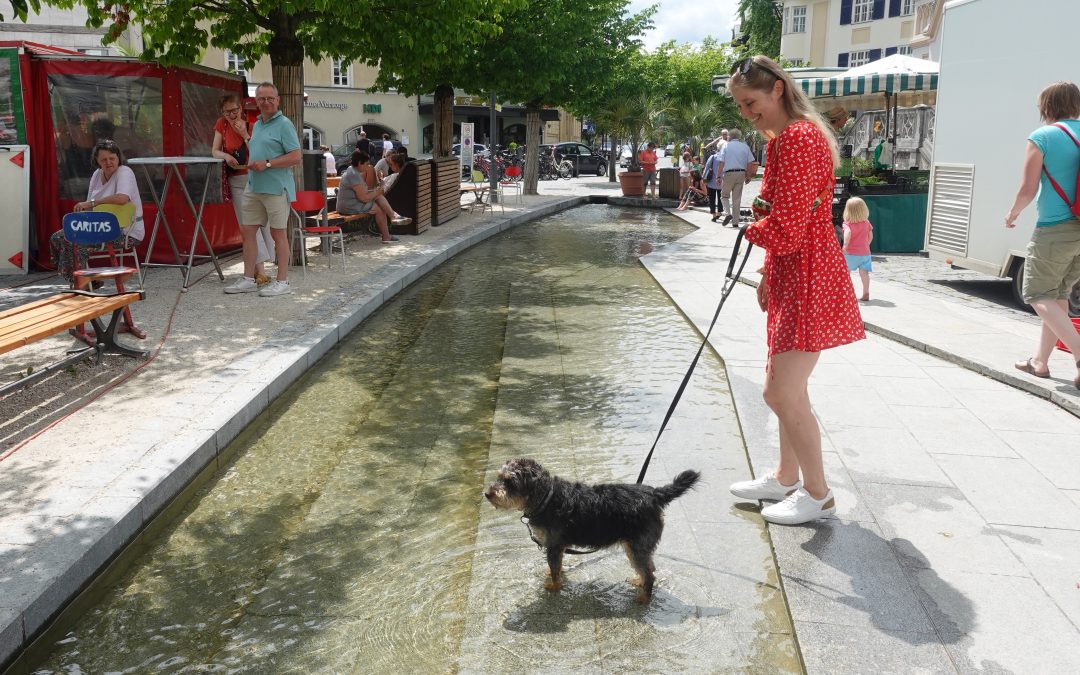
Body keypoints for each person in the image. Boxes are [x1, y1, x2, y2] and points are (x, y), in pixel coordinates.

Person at [724, 55, 865, 525]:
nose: (746, 113)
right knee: (790, 388)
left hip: (806, 274)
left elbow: (784, 229)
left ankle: (818, 494)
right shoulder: (791, 138)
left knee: (781, 392)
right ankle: (786, 476)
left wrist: (748, 229)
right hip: (797, 272)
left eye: (751, 102)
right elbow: (792, 223)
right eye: (741, 106)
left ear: (777, 91)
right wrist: (767, 271)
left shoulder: (797, 140)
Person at [1005, 80, 1080, 388]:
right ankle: (1040, 362)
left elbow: (1028, 188)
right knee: (1058, 295)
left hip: (1055, 227)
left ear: (1047, 107)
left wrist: (1013, 213)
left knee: (1036, 294)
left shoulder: (1043, 136)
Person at [225, 82, 301, 298]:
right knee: (248, 231)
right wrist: (247, 144)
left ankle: (283, 281)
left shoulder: (284, 124)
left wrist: (267, 163)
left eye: (270, 98)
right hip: (254, 186)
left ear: (277, 100)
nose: (266, 102)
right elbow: (256, 150)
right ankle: (249, 278)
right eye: (261, 99)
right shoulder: (257, 124)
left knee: (278, 234)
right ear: (256, 101)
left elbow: (296, 156)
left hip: (276, 188)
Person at [50, 139, 144, 284]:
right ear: (97, 161)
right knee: (57, 238)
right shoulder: (96, 175)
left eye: (112, 158)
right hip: (98, 228)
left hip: (126, 231)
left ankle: (81, 283)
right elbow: (89, 207)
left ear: (118, 158)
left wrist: (94, 202)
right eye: (104, 160)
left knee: (77, 242)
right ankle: (82, 281)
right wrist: (81, 214)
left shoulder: (125, 172)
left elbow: (122, 198)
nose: (109, 162)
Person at [212, 93, 272, 287]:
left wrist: (245, 136)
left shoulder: (253, 126)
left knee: (258, 224)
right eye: (227, 111)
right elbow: (214, 150)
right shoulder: (221, 124)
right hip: (236, 180)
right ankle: (259, 270)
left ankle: (260, 270)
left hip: (255, 179)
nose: (231, 115)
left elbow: (259, 153)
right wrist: (225, 156)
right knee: (247, 225)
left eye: (235, 110)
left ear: (241, 109)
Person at [336, 149, 406, 244]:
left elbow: (363, 193)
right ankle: (387, 234)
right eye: (366, 164)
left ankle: (393, 216)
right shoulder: (353, 175)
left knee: (378, 197)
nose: (368, 166)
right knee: (379, 208)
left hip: (352, 203)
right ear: (360, 163)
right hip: (349, 206)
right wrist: (378, 191)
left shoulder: (352, 171)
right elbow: (363, 198)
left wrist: (377, 191)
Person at [717, 128, 758, 227]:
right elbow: (750, 162)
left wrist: (718, 176)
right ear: (739, 137)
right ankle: (735, 222)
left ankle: (728, 214)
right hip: (741, 174)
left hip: (729, 173)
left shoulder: (726, 146)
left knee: (724, 195)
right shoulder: (745, 146)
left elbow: (721, 162)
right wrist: (748, 175)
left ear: (729, 136)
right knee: (737, 199)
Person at [842, 196, 874, 301]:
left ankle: (847, 294)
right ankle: (866, 292)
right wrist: (866, 245)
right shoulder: (867, 223)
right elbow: (870, 236)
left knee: (846, 273)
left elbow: (848, 233)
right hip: (865, 253)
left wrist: (845, 245)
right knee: (864, 274)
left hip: (851, 253)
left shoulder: (847, 224)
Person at [703, 147, 725, 221]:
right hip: (722, 182)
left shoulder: (712, 157)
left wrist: (703, 177)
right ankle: (719, 212)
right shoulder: (725, 158)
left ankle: (713, 215)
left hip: (711, 181)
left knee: (712, 198)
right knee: (720, 198)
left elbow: (707, 167)